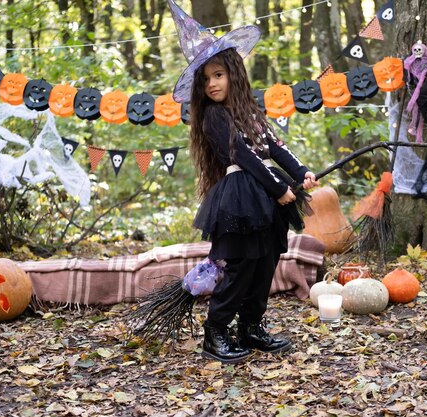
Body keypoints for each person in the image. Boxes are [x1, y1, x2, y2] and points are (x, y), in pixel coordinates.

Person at [167, 0, 318, 364]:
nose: (212, 84)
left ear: (234, 73)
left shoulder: (251, 112)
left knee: (265, 262)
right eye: (205, 79)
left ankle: (251, 326)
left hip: (265, 198)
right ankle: (216, 332)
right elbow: (243, 157)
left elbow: (274, 148)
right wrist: (279, 189)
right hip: (240, 198)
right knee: (238, 266)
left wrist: (300, 173)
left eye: (217, 75)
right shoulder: (214, 118)